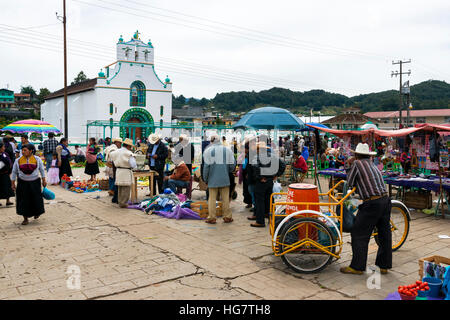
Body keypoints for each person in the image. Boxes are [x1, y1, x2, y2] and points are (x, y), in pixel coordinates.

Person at [340, 143, 391, 275]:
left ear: (356, 155)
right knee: (384, 234)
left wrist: (349, 165)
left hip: (372, 203)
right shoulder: (372, 164)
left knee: (359, 233)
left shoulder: (357, 164)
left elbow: (350, 182)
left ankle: (357, 267)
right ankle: (383, 266)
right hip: (385, 200)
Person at [248, 138, 285, 227]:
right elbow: (283, 165)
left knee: (259, 201)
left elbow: (255, 167)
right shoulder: (273, 156)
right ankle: (269, 216)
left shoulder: (257, 157)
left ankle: (260, 221)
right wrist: (276, 175)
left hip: (261, 182)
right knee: (269, 199)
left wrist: (261, 177)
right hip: (269, 181)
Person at [202, 134, 236, 224]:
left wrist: (205, 179)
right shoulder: (227, 150)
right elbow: (232, 165)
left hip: (212, 179)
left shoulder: (208, 151)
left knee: (212, 198)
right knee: (225, 198)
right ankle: (227, 217)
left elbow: (206, 167)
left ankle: (212, 218)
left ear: (211, 141)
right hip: (225, 178)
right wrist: (227, 170)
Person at [11, 144, 46, 225]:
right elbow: (14, 172)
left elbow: (42, 170)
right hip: (22, 183)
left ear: (31, 151)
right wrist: (12, 183)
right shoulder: (18, 160)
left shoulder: (37, 159)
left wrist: (44, 180)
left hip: (35, 183)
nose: (23, 152)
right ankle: (25, 218)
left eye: (25, 150)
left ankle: (37, 212)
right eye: (22, 150)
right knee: (23, 201)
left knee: (36, 199)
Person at [111, 138, 136, 208]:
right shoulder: (129, 153)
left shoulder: (116, 152)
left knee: (120, 188)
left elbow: (111, 156)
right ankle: (123, 203)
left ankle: (120, 201)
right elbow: (133, 164)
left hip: (118, 170)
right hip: (126, 171)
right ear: (128, 146)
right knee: (126, 188)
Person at [0, 142, 14, 206]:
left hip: (5, 173)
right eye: (3, 147)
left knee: (7, 187)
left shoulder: (5, 154)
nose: (4, 148)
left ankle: (8, 201)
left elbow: (9, 162)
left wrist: (10, 170)